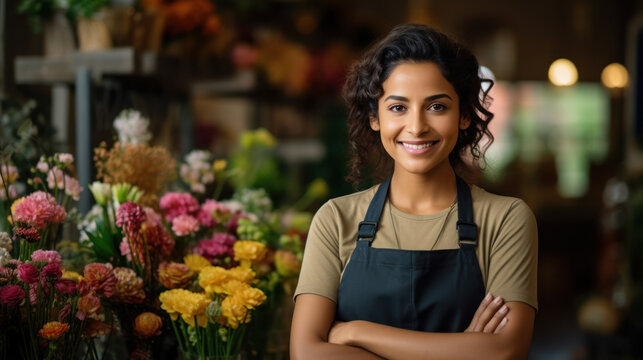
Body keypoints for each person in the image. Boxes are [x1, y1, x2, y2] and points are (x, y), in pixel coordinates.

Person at [290, 23, 538, 359]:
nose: (417, 126)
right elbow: (306, 353)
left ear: (464, 115)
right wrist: (462, 350)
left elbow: (505, 350)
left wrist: (356, 332)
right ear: (375, 117)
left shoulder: (506, 219)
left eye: (437, 107)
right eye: (397, 107)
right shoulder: (335, 220)